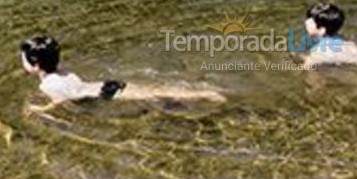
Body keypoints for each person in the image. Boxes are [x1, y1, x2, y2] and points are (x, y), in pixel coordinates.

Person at [20, 35, 224, 110]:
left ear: (35, 64)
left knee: (155, 93)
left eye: (23, 59)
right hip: (107, 84)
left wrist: (41, 110)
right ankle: (199, 92)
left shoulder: (46, 85)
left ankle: (205, 94)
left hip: (106, 94)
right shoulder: (63, 71)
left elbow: (60, 101)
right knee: (155, 90)